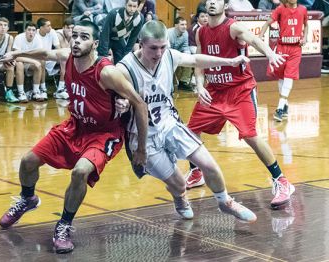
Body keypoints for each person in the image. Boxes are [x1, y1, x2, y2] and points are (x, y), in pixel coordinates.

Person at [0, 20, 148, 254]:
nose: (77, 41)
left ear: (95, 43)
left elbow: (139, 102)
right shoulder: (67, 57)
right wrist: (16, 52)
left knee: (80, 172)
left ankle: (65, 224)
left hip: (103, 134)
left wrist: (141, 149)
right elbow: (45, 53)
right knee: (28, 161)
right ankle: (28, 198)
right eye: (74, 36)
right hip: (75, 126)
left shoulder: (106, 71)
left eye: (84, 37)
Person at [117, 20, 257, 225]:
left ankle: (225, 202)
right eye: (153, 48)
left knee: (210, 165)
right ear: (140, 43)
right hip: (143, 136)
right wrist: (120, 104)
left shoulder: (169, 57)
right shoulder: (125, 68)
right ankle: (179, 197)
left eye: (163, 47)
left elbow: (195, 59)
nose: (158, 53)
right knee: (179, 184)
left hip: (169, 124)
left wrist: (229, 61)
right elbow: (109, 97)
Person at [185, 0, 294, 209]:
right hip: (215, 91)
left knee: (250, 135)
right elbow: (199, 62)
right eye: (209, 1)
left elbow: (253, 39)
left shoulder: (233, 27)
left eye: (216, 1)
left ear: (225, 5)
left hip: (240, 91)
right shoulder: (201, 32)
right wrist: (200, 86)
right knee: (190, 131)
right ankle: (196, 171)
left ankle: (281, 181)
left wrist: (270, 54)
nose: (212, 4)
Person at [259, 0, 308, 122]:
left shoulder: (303, 10)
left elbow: (306, 25)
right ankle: (285, 105)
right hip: (282, 47)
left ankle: (280, 107)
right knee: (281, 77)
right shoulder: (280, 9)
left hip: (295, 49)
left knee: (289, 76)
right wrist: (260, 36)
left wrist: (305, 37)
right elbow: (267, 23)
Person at [12, 22, 43, 102]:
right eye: (29, 30)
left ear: (36, 32)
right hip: (18, 62)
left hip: (30, 62)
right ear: (25, 30)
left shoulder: (38, 39)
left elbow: (39, 55)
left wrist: (35, 62)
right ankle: (21, 93)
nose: (31, 32)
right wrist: (33, 61)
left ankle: (36, 91)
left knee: (39, 64)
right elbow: (16, 56)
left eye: (33, 30)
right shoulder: (19, 37)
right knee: (19, 64)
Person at [36, 17, 61, 100]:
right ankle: (43, 89)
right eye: (48, 26)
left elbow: (58, 47)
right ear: (41, 28)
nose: (50, 27)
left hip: (50, 57)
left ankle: (62, 89)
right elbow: (38, 52)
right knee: (42, 60)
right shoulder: (35, 34)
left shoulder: (52, 32)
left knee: (65, 60)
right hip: (38, 58)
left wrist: (61, 56)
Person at [55, 16, 74, 100]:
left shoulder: (73, 35)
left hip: (62, 58)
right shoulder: (58, 34)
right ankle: (60, 90)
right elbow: (62, 51)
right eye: (68, 27)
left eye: (72, 28)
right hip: (51, 59)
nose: (70, 30)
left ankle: (69, 87)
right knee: (65, 60)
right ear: (63, 27)